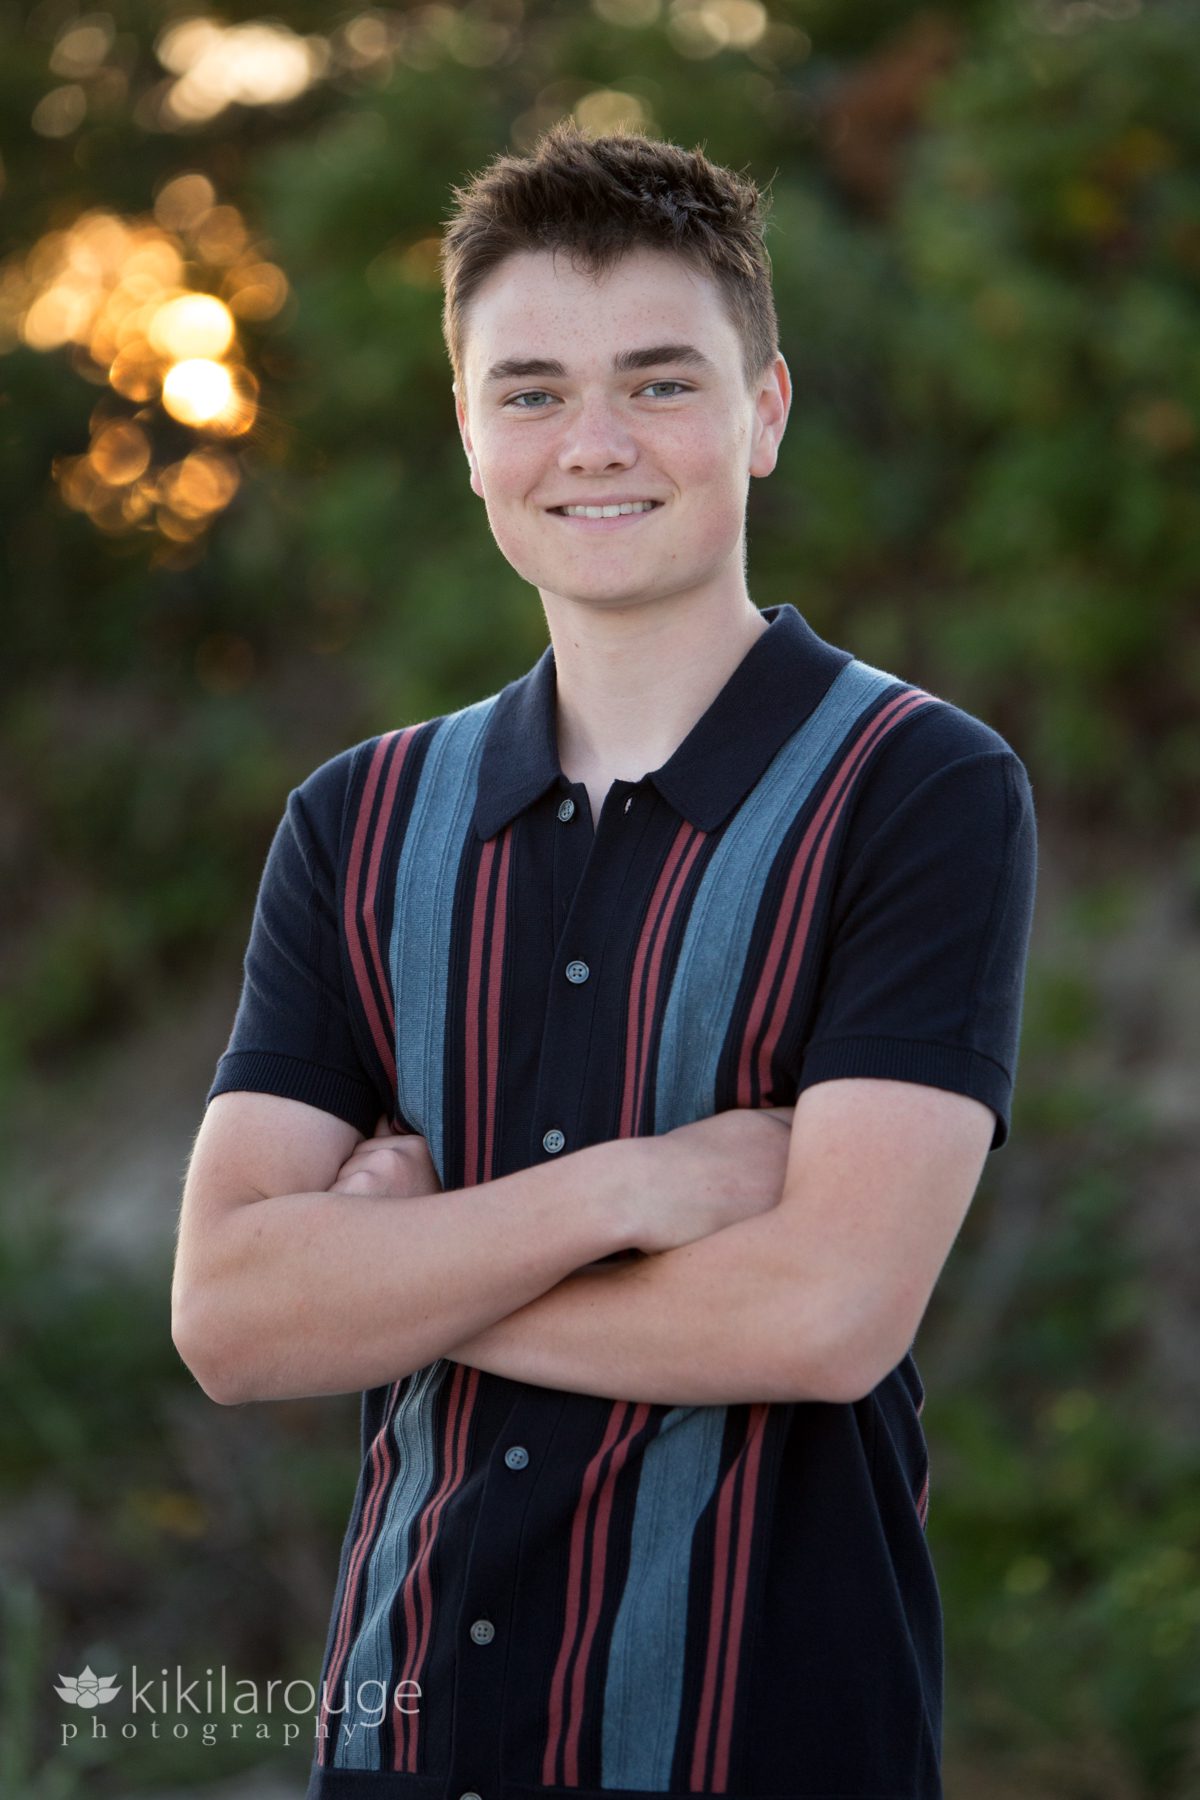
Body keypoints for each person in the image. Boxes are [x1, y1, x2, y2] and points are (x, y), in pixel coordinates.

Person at [173, 121, 1037, 1800]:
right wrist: (624, 1194)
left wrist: (401, 1274)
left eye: (658, 382)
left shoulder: (922, 790)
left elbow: (828, 1313)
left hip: (766, 1746)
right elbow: (228, 1317)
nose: (593, 445)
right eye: (530, 391)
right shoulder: (359, 822)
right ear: (466, 432)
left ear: (763, 411)